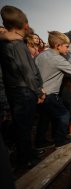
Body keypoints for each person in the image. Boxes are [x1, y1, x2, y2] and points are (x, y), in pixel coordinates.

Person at [0, 5, 46, 168]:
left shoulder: (11, 42)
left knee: (24, 126)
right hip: (23, 91)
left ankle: (28, 152)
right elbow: (27, 72)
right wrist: (38, 91)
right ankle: (24, 159)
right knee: (23, 127)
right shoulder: (17, 45)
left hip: (20, 91)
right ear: (25, 25)